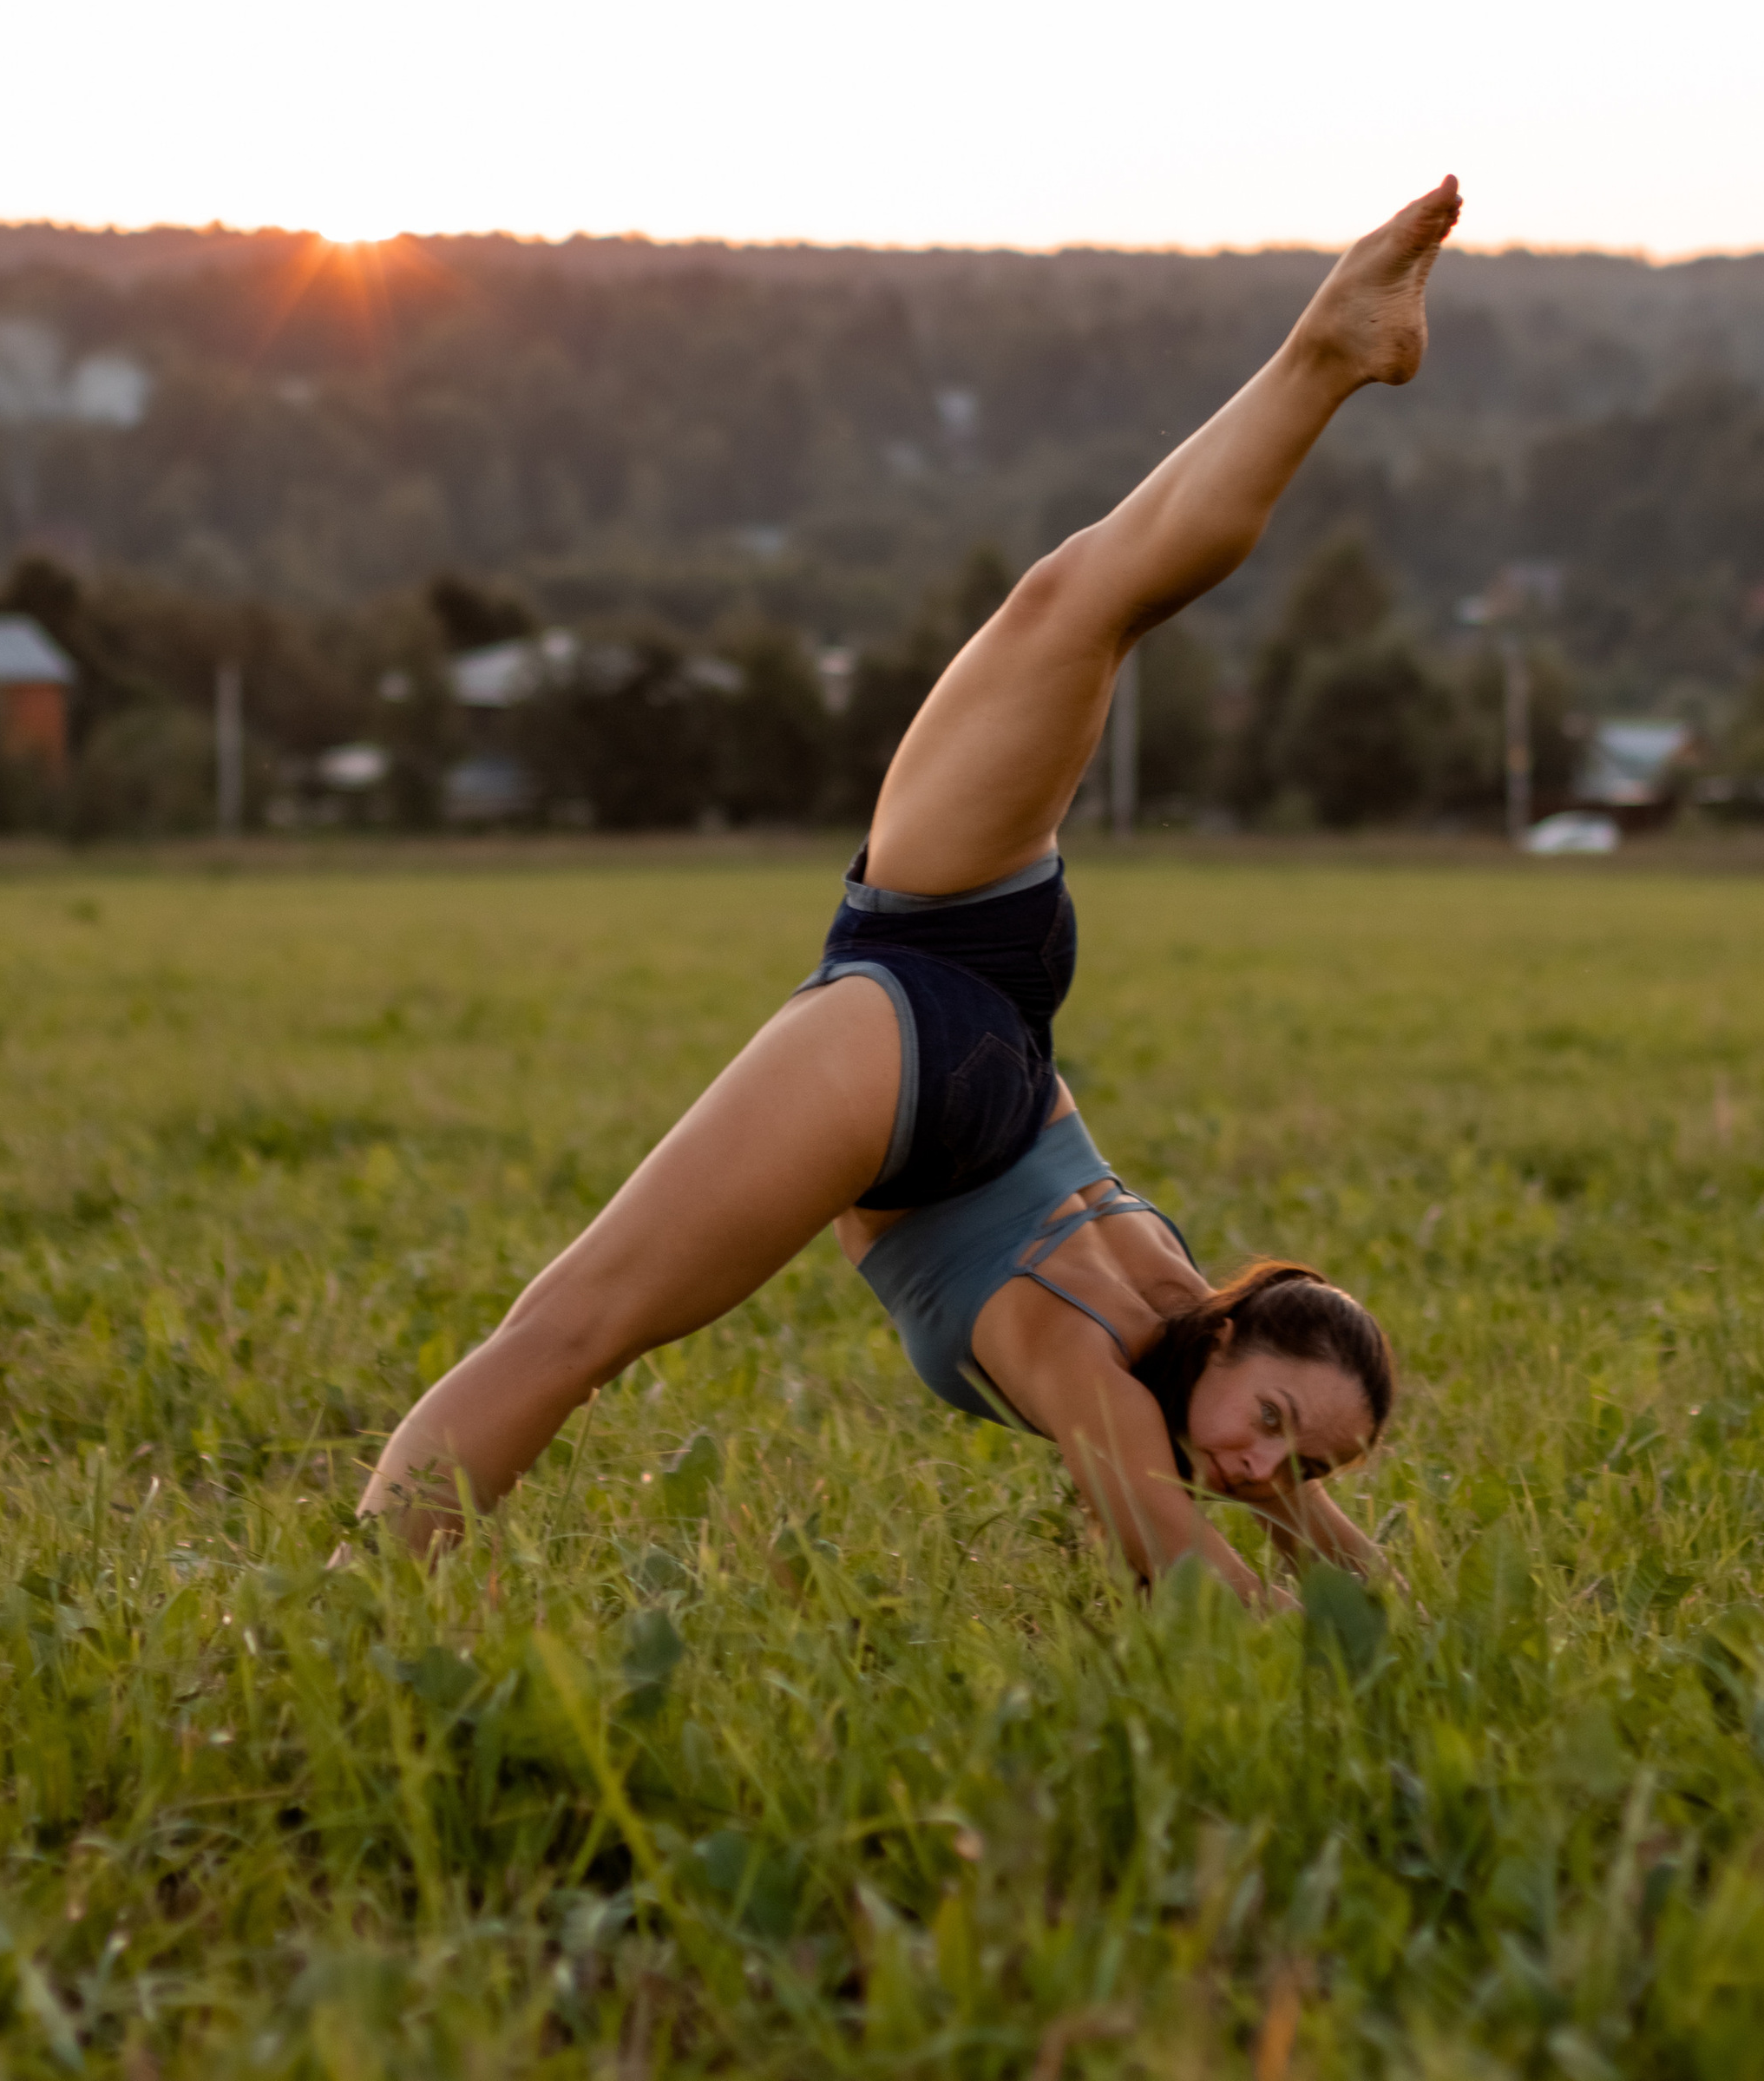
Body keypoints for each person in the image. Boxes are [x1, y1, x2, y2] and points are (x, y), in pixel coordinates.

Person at [361, 176, 1461, 1601]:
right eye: (1273, 1425)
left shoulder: (1124, 1367)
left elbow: (1217, 1564)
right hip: (978, 1023)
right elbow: (1214, 1587)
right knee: (1080, 604)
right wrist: (1364, 1630)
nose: (1262, 1470)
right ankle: (1326, 351)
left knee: (571, 1333)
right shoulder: (1154, 1332)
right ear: (1236, 1326)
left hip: (925, 1069)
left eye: (1301, 1464)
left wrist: (1372, 1597)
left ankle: (354, 1604)